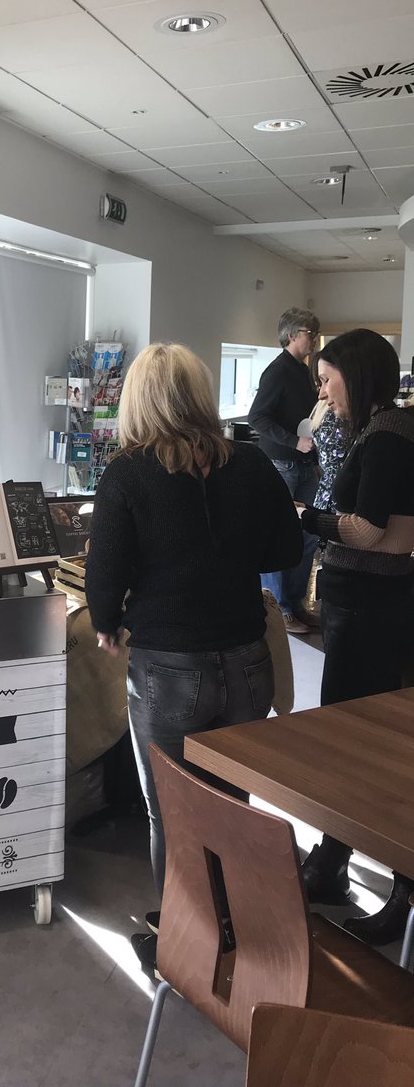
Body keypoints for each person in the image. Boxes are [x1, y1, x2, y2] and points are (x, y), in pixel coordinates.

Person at [84, 343, 301, 971]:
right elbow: (287, 549)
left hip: (166, 668)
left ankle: (188, 936)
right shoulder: (253, 465)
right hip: (246, 662)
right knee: (233, 806)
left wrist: (105, 625)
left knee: (174, 811)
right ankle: (236, 923)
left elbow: (106, 569)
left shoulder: (128, 472)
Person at [298, 329, 414, 945]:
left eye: (327, 378)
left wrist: (308, 519)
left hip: (370, 609)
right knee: (349, 738)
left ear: (357, 374)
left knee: (358, 743)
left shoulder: (390, 439)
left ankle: (390, 888)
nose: (320, 389)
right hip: (368, 605)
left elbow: (368, 530)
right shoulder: (382, 431)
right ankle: (332, 859)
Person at [248, 307, 321, 633]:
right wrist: (294, 441)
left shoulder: (306, 371)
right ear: (292, 334)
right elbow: (257, 418)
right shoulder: (277, 371)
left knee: (307, 537)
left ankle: (294, 602)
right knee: (278, 535)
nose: (315, 339)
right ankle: (278, 609)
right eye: (310, 333)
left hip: (306, 466)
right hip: (283, 464)